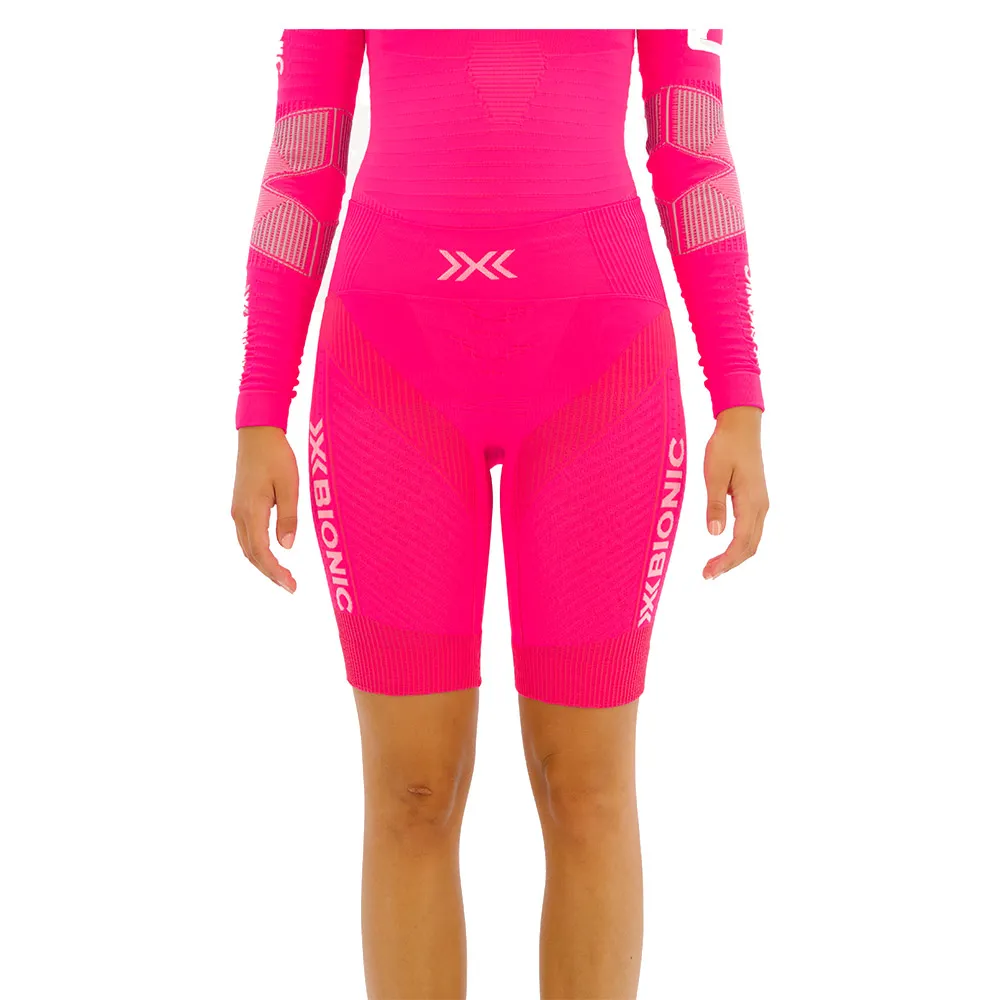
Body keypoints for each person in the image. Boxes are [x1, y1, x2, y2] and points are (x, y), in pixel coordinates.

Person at [231, 27, 768, 999]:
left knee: (587, 791)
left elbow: (691, 140)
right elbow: (306, 147)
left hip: (598, 374)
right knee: (411, 791)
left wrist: (738, 392)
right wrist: (260, 403)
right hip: (390, 372)